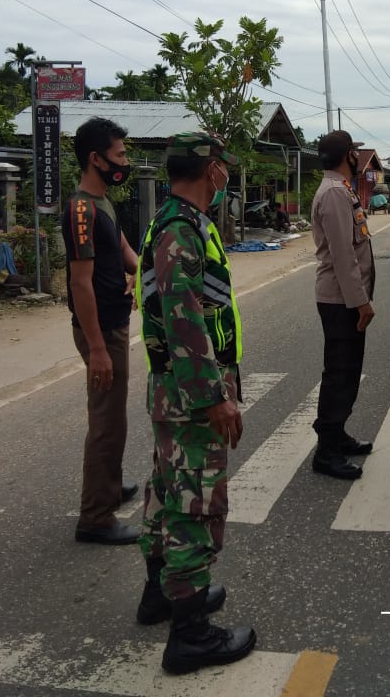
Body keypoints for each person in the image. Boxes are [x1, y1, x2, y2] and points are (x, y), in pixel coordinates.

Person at [134, 132, 255, 675]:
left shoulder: (176, 220)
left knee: (166, 490)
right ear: (210, 170)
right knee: (195, 506)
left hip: (173, 389)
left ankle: (162, 594)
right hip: (191, 394)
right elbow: (184, 320)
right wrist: (215, 397)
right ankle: (190, 635)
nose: (226, 173)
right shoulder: (181, 230)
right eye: (222, 164)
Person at [62, 116, 141, 545]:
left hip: (115, 323)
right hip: (101, 331)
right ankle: (95, 516)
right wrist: (97, 349)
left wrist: (141, 271)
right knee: (107, 422)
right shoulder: (81, 209)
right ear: (96, 158)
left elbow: (126, 250)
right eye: (120, 154)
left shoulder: (105, 203)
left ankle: (109, 486)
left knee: (114, 417)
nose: (125, 162)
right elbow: (79, 282)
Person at [310, 129, 375, 480]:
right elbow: (342, 254)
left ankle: (338, 433)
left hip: (344, 298)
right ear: (347, 155)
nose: (357, 157)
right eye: (354, 152)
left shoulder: (341, 189)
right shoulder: (335, 193)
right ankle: (327, 450)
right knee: (339, 372)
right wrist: (361, 302)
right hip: (340, 300)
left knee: (348, 370)